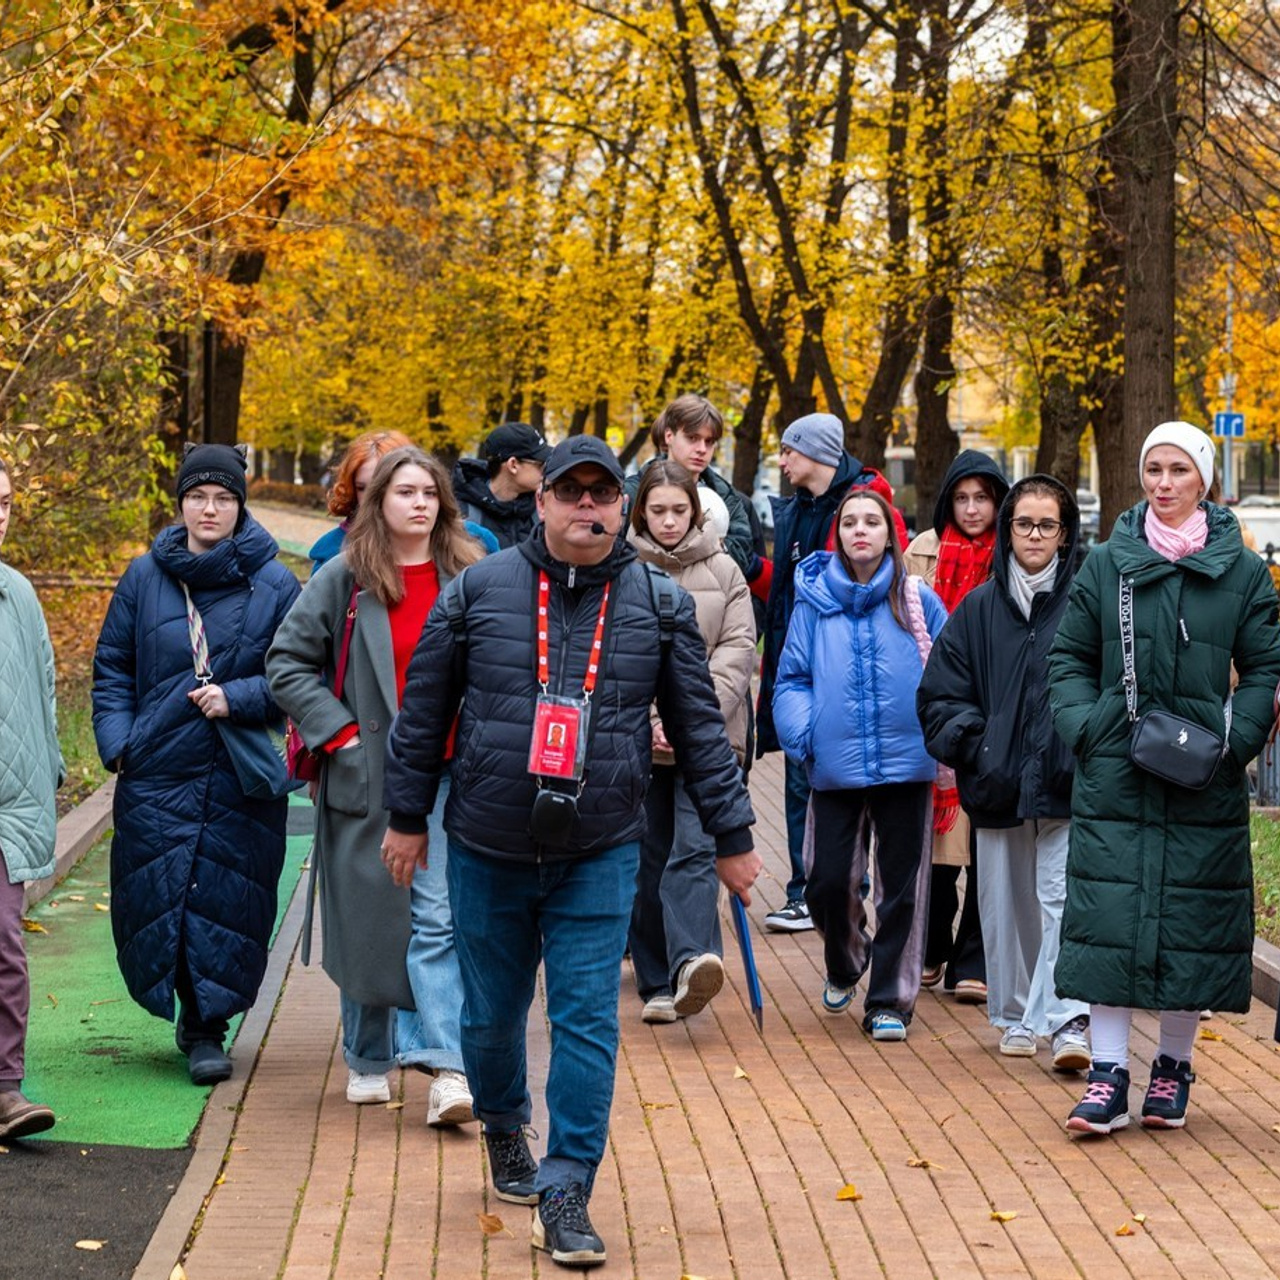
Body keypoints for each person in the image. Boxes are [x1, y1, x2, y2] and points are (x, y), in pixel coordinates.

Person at [381, 434, 760, 1269]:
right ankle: (506, 1128)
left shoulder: (658, 604)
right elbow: (421, 715)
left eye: (602, 495)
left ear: (620, 508)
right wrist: (406, 817)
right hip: (487, 841)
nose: (587, 507)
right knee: (489, 1018)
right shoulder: (477, 591)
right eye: (571, 493)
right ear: (543, 500)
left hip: (601, 846)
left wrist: (732, 835)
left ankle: (567, 1189)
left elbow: (700, 727)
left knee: (585, 1020)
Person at [1048, 421, 1280, 1134]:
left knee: (1193, 920)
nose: (1164, 483)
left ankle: (1172, 1069)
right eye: (1154, 469)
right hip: (1118, 770)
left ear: (1203, 479)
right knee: (1108, 920)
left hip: (1201, 774)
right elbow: (1068, 659)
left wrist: (1233, 747)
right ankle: (1109, 1076)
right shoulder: (1107, 563)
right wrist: (1090, 729)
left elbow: (1267, 668)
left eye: (1179, 470)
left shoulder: (1241, 571)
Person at [269, 446, 484, 1125]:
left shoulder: (471, 575)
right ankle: (367, 1056)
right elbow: (286, 662)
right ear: (378, 503)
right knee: (370, 917)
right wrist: (342, 734)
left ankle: (447, 1067)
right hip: (369, 772)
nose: (418, 503)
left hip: (451, 775)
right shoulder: (344, 578)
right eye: (404, 492)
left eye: (428, 492)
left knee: (436, 917)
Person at [92, 444, 300, 1085]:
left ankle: (208, 1026)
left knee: (226, 899)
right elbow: (112, 669)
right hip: (157, 769)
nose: (209, 509)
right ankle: (187, 1007)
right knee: (159, 893)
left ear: (240, 505)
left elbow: (298, 677)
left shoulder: (276, 584)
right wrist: (121, 743)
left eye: (224, 498)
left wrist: (235, 697)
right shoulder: (143, 576)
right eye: (198, 497)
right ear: (180, 502)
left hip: (236, 774)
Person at [917, 476, 1091, 1068]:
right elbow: (939, 694)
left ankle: (1068, 1019)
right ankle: (1016, 1014)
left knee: (1062, 900)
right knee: (1006, 905)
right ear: (1008, 530)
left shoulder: (1086, 603)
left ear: (1065, 534)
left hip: (1069, 783)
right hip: (998, 784)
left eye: (1047, 525)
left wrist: (1084, 743)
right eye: (1024, 523)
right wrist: (980, 743)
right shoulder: (979, 608)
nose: (1035, 535)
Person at [773, 488, 946, 1041]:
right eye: (850, 522)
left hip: (907, 762)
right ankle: (847, 961)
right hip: (834, 766)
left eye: (872, 521)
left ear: (889, 532)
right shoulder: (813, 599)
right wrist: (806, 738)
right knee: (826, 884)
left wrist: (940, 734)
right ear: (839, 533)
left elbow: (947, 673)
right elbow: (791, 678)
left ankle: (890, 1000)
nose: (860, 530)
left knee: (903, 888)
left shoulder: (917, 598)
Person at [626, 459, 756, 1024]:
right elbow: (622, 655)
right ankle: (655, 977)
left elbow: (737, 651)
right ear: (641, 513)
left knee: (697, 847)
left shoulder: (726, 571)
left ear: (696, 512)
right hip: (637, 738)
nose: (670, 521)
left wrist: (687, 717)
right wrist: (654, 716)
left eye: (680, 510)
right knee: (647, 853)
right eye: (658, 511)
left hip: (709, 738)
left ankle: (690, 963)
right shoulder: (622, 570)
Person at [757, 412, 871, 932]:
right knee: (799, 776)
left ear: (818, 453)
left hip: (842, 671)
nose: (782, 461)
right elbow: (785, 593)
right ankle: (804, 890)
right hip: (794, 665)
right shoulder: (797, 510)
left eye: (789, 450)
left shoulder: (861, 505)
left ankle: (845, 889)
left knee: (840, 782)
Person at [905, 449, 1010, 1002]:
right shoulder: (923, 550)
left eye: (983, 498)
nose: (972, 509)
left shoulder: (1012, 550)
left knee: (986, 840)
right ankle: (930, 947)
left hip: (996, 707)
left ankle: (976, 957)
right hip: (940, 704)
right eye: (962, 498)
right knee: (939, 843)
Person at [0, 456, 63, 1141]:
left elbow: (43, 690)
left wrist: (48, 773)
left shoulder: (17, 593)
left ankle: (5, 1090)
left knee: (4, 946)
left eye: (7, 503)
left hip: (8, 805)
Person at [622, 394, 766, 589]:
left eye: (709, 441)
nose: (702, 449)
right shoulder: (629, 495)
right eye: (692, 438)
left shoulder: (737, 504)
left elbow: (747, 576)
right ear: (669, 436)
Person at [312, 430, 497, 573]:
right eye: (362, 488)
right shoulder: (333, 553)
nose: (374, 497)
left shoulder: (476, 543)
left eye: (401, 489)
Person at [451, 421, 552, 549]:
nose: (546, 472)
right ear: (513, 465)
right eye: (541, 465)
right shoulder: (461, 514)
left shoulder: (543, 509)